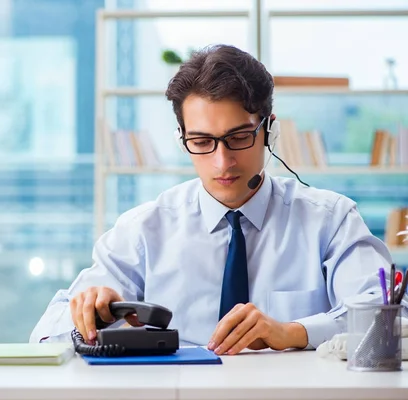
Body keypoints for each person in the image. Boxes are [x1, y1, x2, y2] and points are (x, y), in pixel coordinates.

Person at [29, 44, 396, 356]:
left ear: (268, 129)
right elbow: (46, 334)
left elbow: (388, 318)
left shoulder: (330, 220)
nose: (222, 162)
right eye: (202, 142)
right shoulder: (144, 229)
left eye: (238, 137)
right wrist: (90, 317)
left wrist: (293, 332)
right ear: (183, 137)